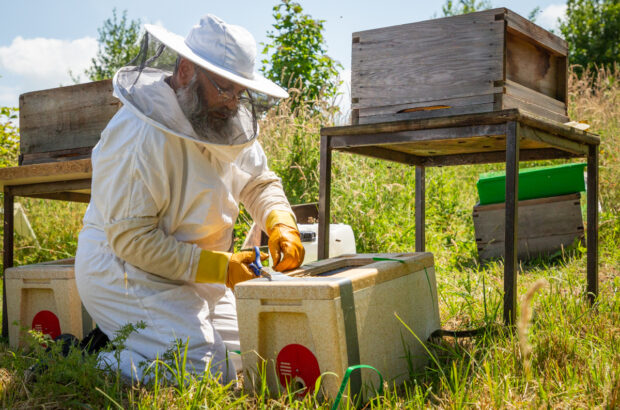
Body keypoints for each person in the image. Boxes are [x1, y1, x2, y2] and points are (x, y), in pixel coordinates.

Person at [75, 14, 305, 384]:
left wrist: (281, 220)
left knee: (250, 359)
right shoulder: (139, 134)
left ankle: (138, 345)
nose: (233, 103)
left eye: (239, 92)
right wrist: (222, 267)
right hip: (126, 272)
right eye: (224, 89)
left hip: (202, 272)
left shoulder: (221, 119)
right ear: (185, 71)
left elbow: (259, 181)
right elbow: (131, 239)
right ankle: (92, 357)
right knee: (204, 370)